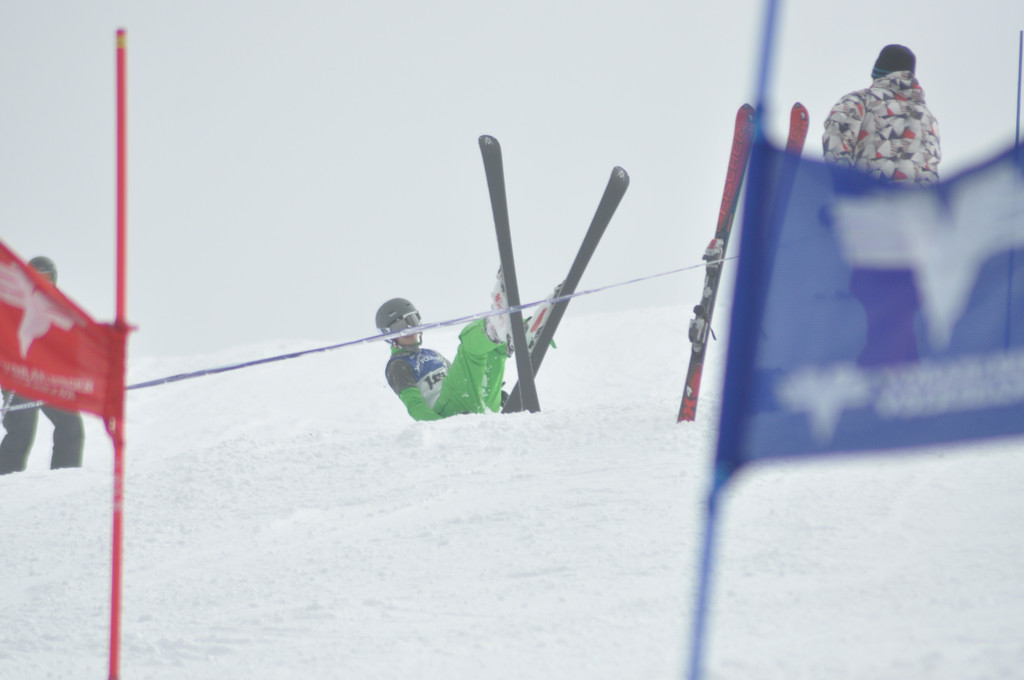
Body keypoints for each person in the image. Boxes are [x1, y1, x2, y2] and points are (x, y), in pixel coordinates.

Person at [822, 45, 941, 366]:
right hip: (911, 234)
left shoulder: (857, 103)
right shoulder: (927, 119)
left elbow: (836, 156)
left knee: (861, 299)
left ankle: (868, 369)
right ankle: (904, 371)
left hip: (867, 224)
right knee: (899, 306)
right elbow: (930, 177)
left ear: (878, 70)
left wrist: (835, 204)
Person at [377, 273, 551, 421]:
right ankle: (494, 328)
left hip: (476, 402)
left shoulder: (431, 354)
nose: (410, 329)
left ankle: (523, 335)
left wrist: (499, 396)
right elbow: (415, 406)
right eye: (400, 326)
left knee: (493, 352)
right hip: (448, 412)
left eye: (413, 321)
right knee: (469, 346)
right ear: (388, 335)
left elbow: (465, 375)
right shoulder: (397, 365)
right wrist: (442, 428)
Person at [0, 256, 85, 474]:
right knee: (22, 429)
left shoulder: (59, 308)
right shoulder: (13, 304)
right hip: (19, 378)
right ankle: (5, 478)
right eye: (35, 278)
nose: (41, 284)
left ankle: (64, 476)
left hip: (46, 379)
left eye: (46, 279)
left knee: (71, 425)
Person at [822, 44, 941, 185]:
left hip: (867, 193)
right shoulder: (927, 118)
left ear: (878, 71)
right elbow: (930, 171)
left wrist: (842, 185)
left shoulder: (861, 101)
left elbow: (836, 143)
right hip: (910, 197)